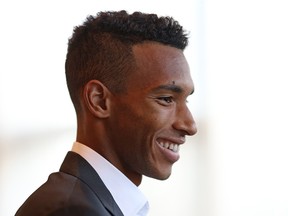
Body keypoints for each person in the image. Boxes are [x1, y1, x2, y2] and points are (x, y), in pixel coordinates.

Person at [15, 10, 197, 216]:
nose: (190, 126)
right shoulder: (71, 210)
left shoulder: (89, 202)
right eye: (166, 99)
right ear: (99, 100)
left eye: (186, 99)